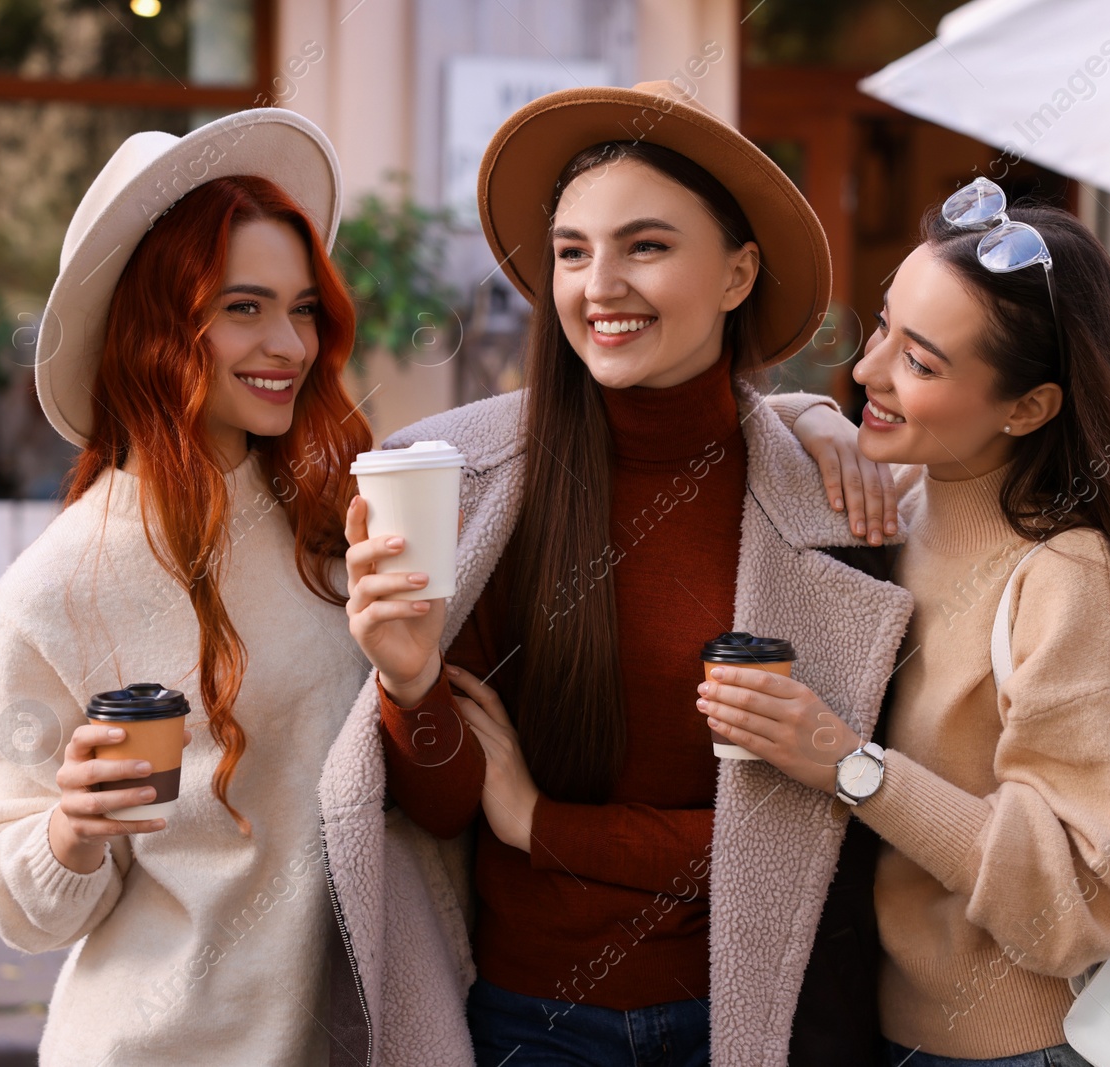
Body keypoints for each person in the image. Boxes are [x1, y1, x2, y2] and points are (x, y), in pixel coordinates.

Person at [320, 81, 909, 1067]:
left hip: (751, 1023)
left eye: (645, 245)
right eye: (571, 251)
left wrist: (542, 824)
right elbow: (441, 809)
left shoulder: (836, 505)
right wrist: (409, 678)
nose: (599, 286)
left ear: (736, 274)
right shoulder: (462, 480)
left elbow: (814, 844)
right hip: (526, 1023)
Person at [699, 181, 1110, 1066]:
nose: (866, 371)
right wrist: (813, 418)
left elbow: (1084, 897)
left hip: (1013, 1048)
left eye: (920, 364)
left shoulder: (1070, 582)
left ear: (1029, 407)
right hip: (887, 1027)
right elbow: (738, 429)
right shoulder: (911, 497)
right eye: (883, 325)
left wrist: (847, 764)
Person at [0, 111, 373, 1066]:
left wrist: (796, 419)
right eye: (243, 306)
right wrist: (70, 828)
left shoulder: (335, 509)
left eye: (304, 306)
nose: (290, 343)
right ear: (159, 325)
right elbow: (18, 894)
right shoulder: (57, 587)